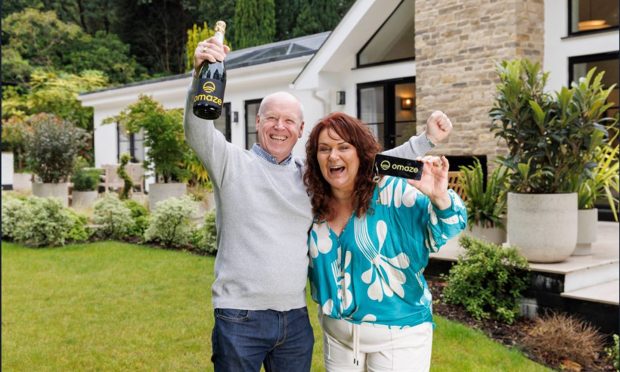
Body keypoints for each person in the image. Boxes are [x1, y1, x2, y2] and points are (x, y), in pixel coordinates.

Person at [184, 36, 454, 372]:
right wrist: (199, 77)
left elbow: (370, 163)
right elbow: (198, 132)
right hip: (240, 318)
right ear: (257, 123)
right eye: (271, 118)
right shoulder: (230, 164)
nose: (279, 127)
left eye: (288, 122)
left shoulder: (310, 177)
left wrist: (425, 141)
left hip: (294, 321)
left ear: (299, 130)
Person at [303, 112, 467, 372]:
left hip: (398, 338)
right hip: (338, 338)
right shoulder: (313, 202)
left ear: (361, 154)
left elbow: (449, 224)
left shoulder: (391, 191)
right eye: (324, 149)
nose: (333, 156)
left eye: (344, 147)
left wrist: (440, 197)